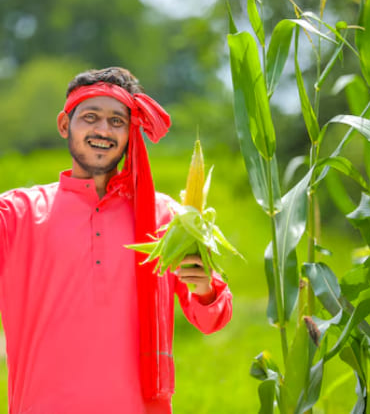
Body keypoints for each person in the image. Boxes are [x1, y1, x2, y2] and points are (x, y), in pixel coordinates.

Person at [0, 67, 232, 414]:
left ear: (131, 132)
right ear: (65, 124)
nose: (103, 130)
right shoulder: (16, 213)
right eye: (90, 117)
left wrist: (204, 290)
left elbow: (213, 318)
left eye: (116, 121)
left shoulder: (166, 215)